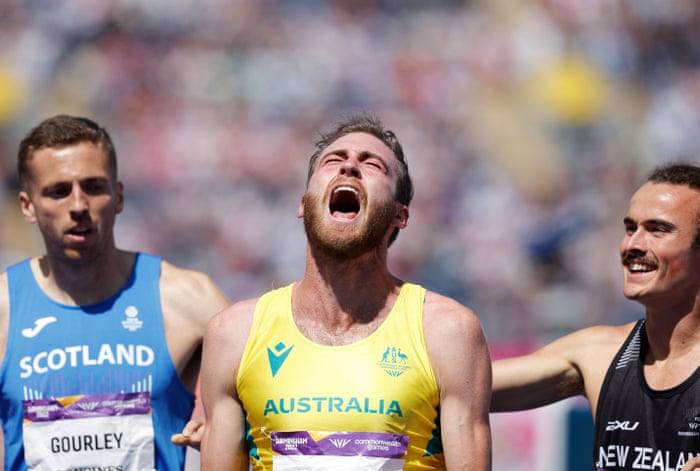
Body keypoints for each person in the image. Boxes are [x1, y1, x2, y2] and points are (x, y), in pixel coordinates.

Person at [199, 114, 492, 470]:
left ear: (399, 216)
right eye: (334, 160)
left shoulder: (448, 331)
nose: (350, 167)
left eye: (372, 165)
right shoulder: (233, 334)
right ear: (305, 204)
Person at [0, 114, 230, 470]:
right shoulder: (4, 308)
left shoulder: (186, 298)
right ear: (28, 206)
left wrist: (225, 429)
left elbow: (270, 412)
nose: (78, 206)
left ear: (118, 195)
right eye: (58, 191)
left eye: (93, 187)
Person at [491, 162, 700, 471]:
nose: (633, 245)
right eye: (631, 228)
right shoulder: (599, 355)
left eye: (658, 230)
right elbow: (456, 387)